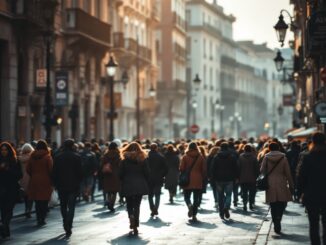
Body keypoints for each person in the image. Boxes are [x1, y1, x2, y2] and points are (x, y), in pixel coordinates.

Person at [297, 132, 326, 245]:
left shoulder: (307, 157)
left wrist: (299, 192)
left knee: (313, 224)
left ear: (312, 142)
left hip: (311, 195)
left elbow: (301, 177)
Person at [260, 142, 293, 234]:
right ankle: (279, 218)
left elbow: (261, 170)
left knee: (273, 204)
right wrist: (291, 184)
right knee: (282, 203)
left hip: (270, 183)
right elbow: (288, 172)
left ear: (269, 148)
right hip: (281, 182)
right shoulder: (283, 158)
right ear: (278, 148)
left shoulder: (266, 157)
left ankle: (275, 221)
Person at [53, 139, 82, 237]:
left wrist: (55, 184)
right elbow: (80, 173)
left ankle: (65, 221)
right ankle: (69, 223)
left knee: (63, 205)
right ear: (72, 146)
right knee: (72, 206)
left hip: (61, 185)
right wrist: (79, 183)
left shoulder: (57, 157)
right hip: (73, 185)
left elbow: (54, 172)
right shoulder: (77, 157)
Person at [119, 142, 149, 235]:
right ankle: (136, 223)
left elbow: (120, 174)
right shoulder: (142, 159)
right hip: (139, 184)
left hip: (128, 184)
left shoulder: (124, 160)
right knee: (137, 205)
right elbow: (147, 172)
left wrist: (123, 179)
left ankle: (131, 216)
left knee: (129, 203)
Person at [26, 140, 53, 227]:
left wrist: (33, 175)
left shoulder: (32, 156)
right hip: (45, 181)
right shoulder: (48, 157)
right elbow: (51, 170)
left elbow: (28, 169)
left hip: (34, 180)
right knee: (44, 200)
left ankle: (38, 218)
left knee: (37, 201)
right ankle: (42, 218)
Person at [0, 142, 23, 239]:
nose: (3, 151)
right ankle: (6, 231)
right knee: (3, 210)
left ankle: (4, 226)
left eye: (5, 149)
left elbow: (19, 175)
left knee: (9, 209)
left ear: (9, 150)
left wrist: (8, 169)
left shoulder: (15, 160)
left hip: (12, 189)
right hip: (1, 188)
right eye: (2, 150)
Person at [180, 142, 206, 222]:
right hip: (198, 179)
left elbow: (181, 168)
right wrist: (203, 178)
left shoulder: (185, 157)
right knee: (196, 198)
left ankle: (189, 205)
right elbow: (204, 170)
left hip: (187, 180)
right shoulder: (201, 157)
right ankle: (194, 215)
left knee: (187, 196)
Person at [211, 142, 238, 219]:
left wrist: (213, 178)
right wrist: (236, 177)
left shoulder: (216, 157)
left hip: (219, 179)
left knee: (220, 196)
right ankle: (226, 207)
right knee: (229, 194)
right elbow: (236, 168)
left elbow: (213, 169)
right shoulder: (232, 157)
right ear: (227, 148)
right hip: (229, 179)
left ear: (220, 148)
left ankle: (221, 213)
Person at [147, 143, 167, 217]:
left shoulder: (147, 157)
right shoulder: (161, 157)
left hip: (149, 178)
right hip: (158, 178)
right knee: (157, 194)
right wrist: (162, 175)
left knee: (150, 195)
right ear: (156, 148)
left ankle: (152, 208)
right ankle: (156, 208)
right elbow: (166, 168)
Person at [101, 142, 121, 212]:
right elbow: (120, 165)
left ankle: (109, 201)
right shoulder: (118, 155)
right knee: (114, 192)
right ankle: (112, 204)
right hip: (115, 175)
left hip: (107, 174)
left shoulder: (106, 155)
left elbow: (102, 164)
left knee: (109, 191)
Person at [238, 144, 259, 211]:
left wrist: (238, 176)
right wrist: (257, 176)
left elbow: (238, 167)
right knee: (252, 192)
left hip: (242, 178)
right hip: (252, 178)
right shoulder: (254, 157)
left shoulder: (240, 157)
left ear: (244, 149)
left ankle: (244, 203)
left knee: (244, 192)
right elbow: (257, 168)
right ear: (250, 149)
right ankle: (250, 204)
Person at [18, 143, 34, 218]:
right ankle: (28, 210)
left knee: (25, 195)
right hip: (30, 177)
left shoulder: (19, 158)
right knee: (30, 195)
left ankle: (26, 208)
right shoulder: (32, 157)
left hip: (22, 178)